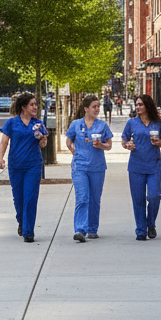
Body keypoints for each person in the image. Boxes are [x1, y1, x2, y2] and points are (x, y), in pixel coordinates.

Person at [0, 92, 48, 242]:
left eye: (35, 104)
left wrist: (42, 138)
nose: (35, 107)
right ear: (23, 107)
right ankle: (22, 221)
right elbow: (4, 142)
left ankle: (28, 231)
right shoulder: (11, 123)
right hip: (16, 166)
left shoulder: (38, 124)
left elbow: (43, 145)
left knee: (30, 198)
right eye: (32, 104)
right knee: (18, 199)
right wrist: (1, 159)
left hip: (33, 165)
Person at [121, 94, 161, 240]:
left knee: (154, 196)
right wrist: (127, 145)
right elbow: (124, 140)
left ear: (148, 106)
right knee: (138, 199)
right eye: (137, 104)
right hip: (136, 166)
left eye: (140, 104)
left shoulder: (158, 123)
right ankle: (141, 229)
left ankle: (151, 223)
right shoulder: (131, 123)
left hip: (154, 165)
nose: (138, 107)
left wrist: (159, 143)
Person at [65, 94, 113, 242]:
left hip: (97, 167)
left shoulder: (102, 125)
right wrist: (74, 152)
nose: (97, 109)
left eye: (98, 106)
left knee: (94, 199)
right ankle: (80, 229)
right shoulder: (75, 124)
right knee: (82, 197)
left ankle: (92, 228)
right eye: (94, 106)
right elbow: (68, 140)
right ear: (86, 108)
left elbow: (109, 145)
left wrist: (101, 145)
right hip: (79, 167)